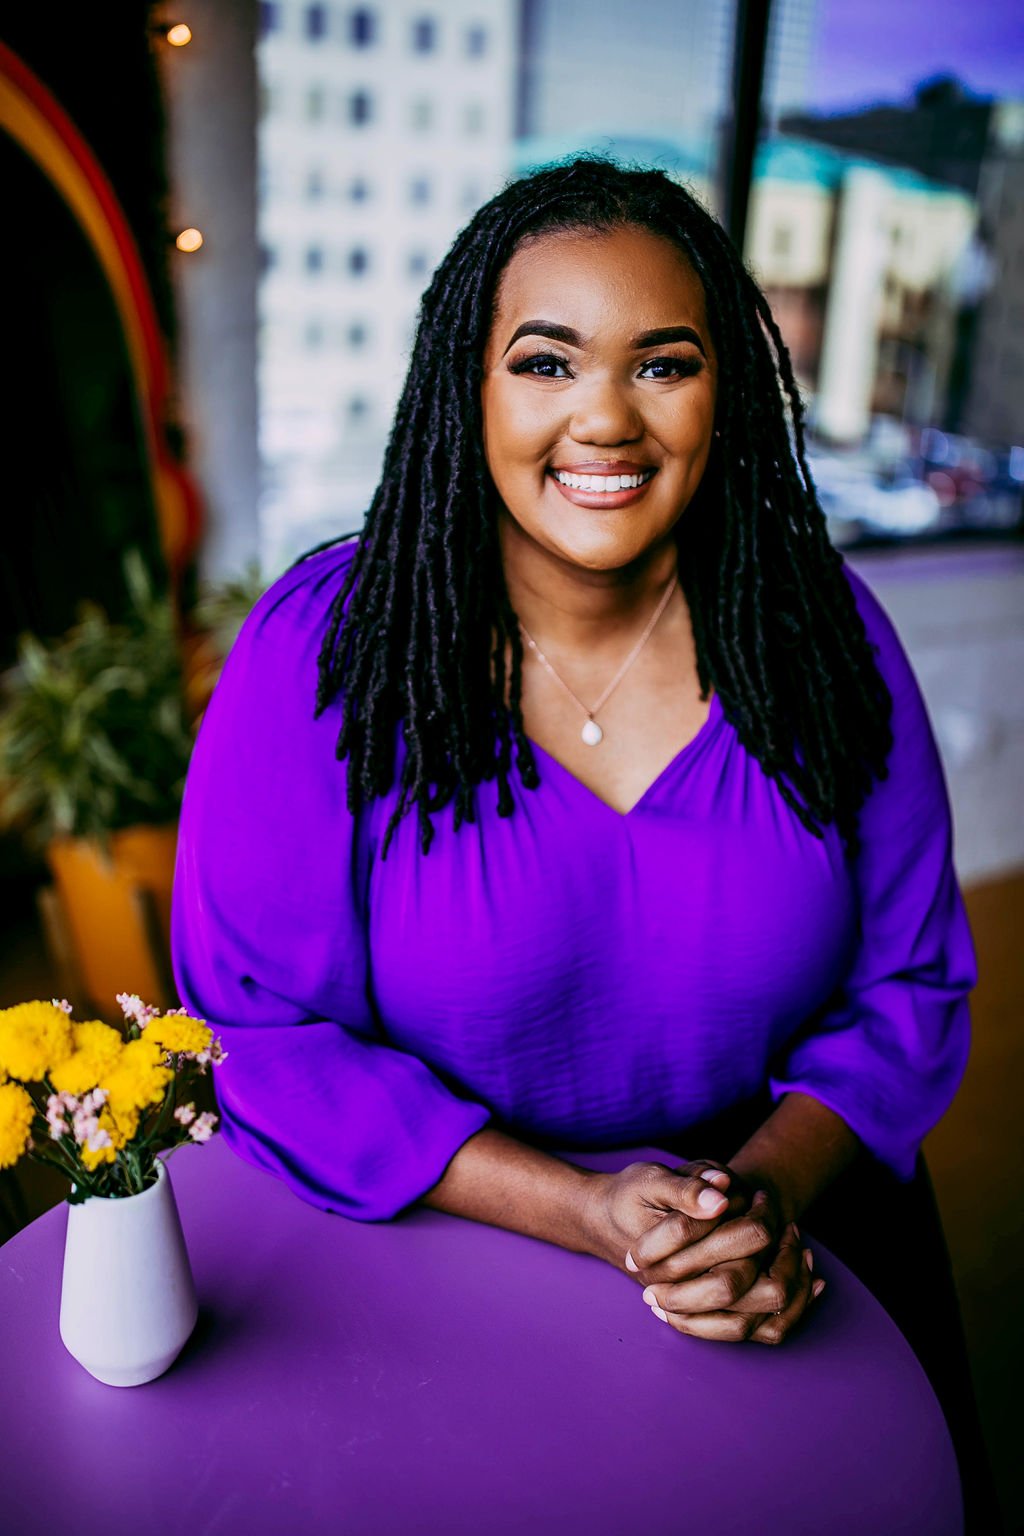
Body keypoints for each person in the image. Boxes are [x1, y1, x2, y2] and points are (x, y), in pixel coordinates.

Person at [171, 158, 995, 1525]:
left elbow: (904, 990)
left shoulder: (826, 642)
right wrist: (586, 1212)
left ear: (725, 391)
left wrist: (747, 1207)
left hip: (772, 1241)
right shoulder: (328, 654)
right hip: (435, 1239)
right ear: (468, 390)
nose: (605, 417)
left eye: (663, 365)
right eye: (546, 363)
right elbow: (264, 1030)